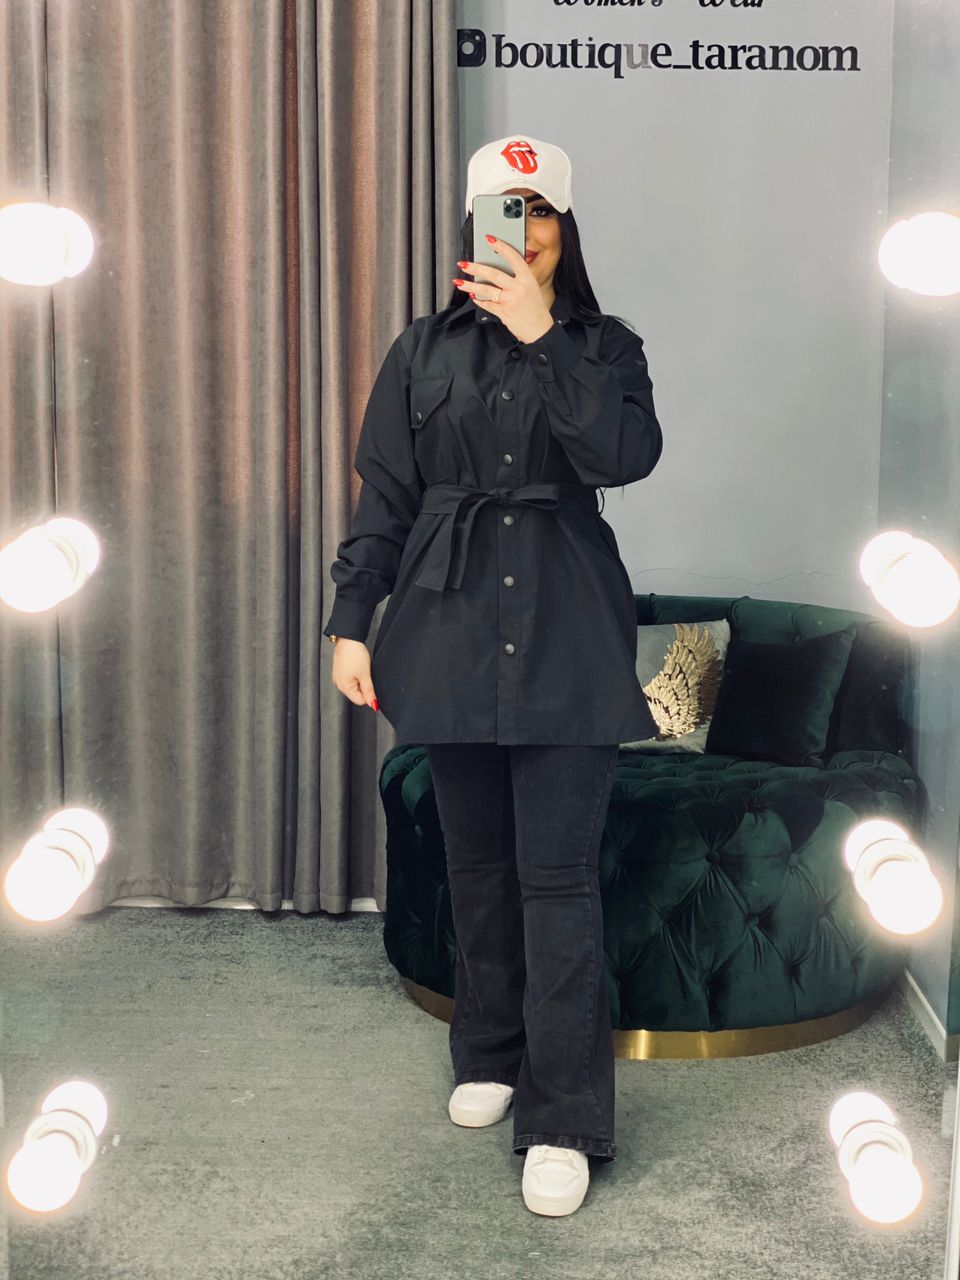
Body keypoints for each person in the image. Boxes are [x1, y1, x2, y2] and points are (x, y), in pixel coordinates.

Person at [324, 134, 664, 1216]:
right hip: (446, 625)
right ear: (472, 225)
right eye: (503, 210)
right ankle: (489, 1048)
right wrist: (351, 622)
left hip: (568, 632)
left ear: (565, 226)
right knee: (475, 865)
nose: (523, 230)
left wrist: (541, 336)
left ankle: (563, 1118)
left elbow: (621, 457)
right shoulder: (421, 350)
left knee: (557, 879)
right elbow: (386, 494)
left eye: (539, 210)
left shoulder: (606, 346)